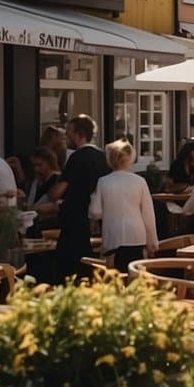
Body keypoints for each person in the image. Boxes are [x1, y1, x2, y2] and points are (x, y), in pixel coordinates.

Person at [50, 115, 110, 280]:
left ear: (79, 134)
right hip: (97, 220)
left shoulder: (76, 158)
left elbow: (57, 192)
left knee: (68, 270)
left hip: (75, 220)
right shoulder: (103, 157)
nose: (66, 136)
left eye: (68, 131)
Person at [90, 140, 158, 276]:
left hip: (113, 235)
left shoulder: (103, 181)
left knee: (114, 277)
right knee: (135, 276)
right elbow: (148, 215)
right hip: (136, 235)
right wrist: (152, 242)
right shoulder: (139, 181)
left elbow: (95, 212)